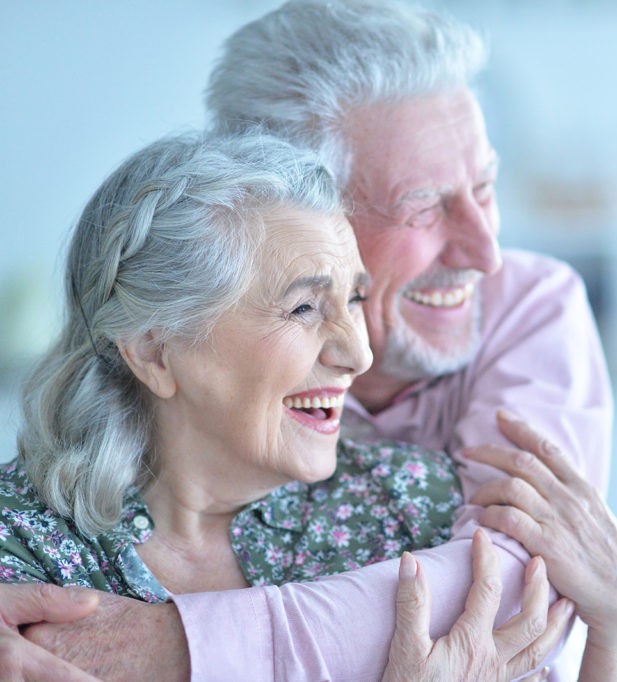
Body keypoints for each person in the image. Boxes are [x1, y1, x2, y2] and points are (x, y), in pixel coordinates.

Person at [18, 0, 617, 679]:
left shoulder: (423, 465)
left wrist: (184, 646)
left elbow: (514, 589)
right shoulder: (43, 530)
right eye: (424, 205)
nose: (486, 252)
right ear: (292, 205)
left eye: (485, 186)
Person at [3, 130, 572, 680]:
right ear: (154, 350)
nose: (359, 353)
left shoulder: (416, 507)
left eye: (354, 299)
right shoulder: (22, 546)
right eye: (303, 308)